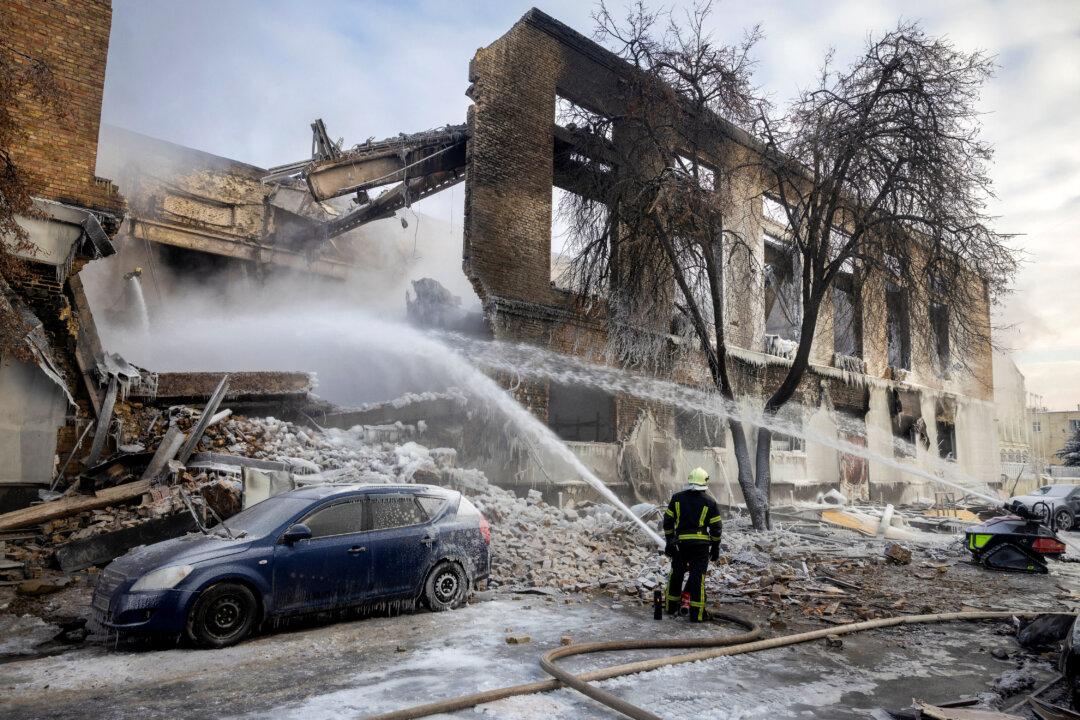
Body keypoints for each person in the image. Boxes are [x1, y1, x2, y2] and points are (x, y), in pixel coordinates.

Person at [662, 467, 722, 622]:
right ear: (705, 483)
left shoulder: (677, 498)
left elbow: (668, 521)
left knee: (676, 574)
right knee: (697, 579)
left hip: (680, 545)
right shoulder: (710, 502)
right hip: (700, 547)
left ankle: (670, 607)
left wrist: (669, 542)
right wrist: (715, 548)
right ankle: (697, 615)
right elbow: (716, 528)